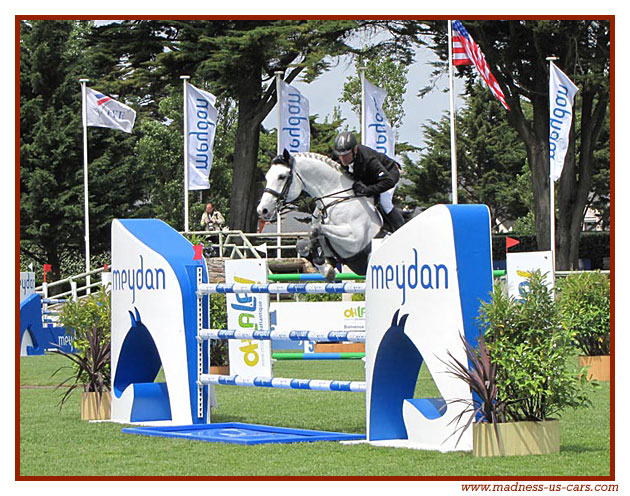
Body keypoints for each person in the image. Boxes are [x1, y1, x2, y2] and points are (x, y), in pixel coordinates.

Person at [333, 131, 406, 231]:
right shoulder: (339, 155)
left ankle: (401, 231)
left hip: (388, 175)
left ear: (355, 150)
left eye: (346, 155)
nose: (342, 159)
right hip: (368, 177)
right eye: (340, 155)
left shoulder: (369, 159)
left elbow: (388, 182)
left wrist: (367, 190)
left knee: (385, 203)